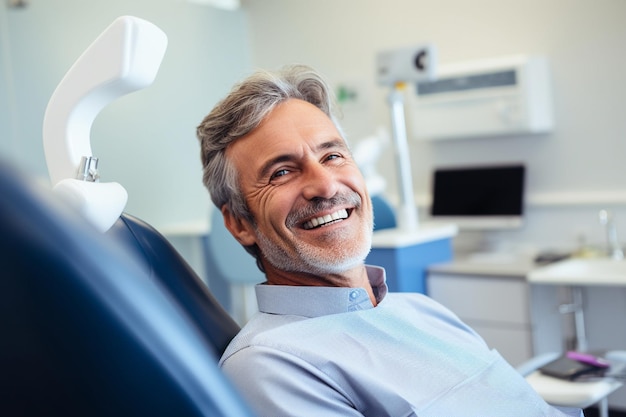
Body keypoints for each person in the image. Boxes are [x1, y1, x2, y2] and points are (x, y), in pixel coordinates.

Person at [196, 65, 581, 417]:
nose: (326, 185)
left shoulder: (422, 310)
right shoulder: (269, 365)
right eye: (281, 172)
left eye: (332, 156)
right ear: (239, 223)